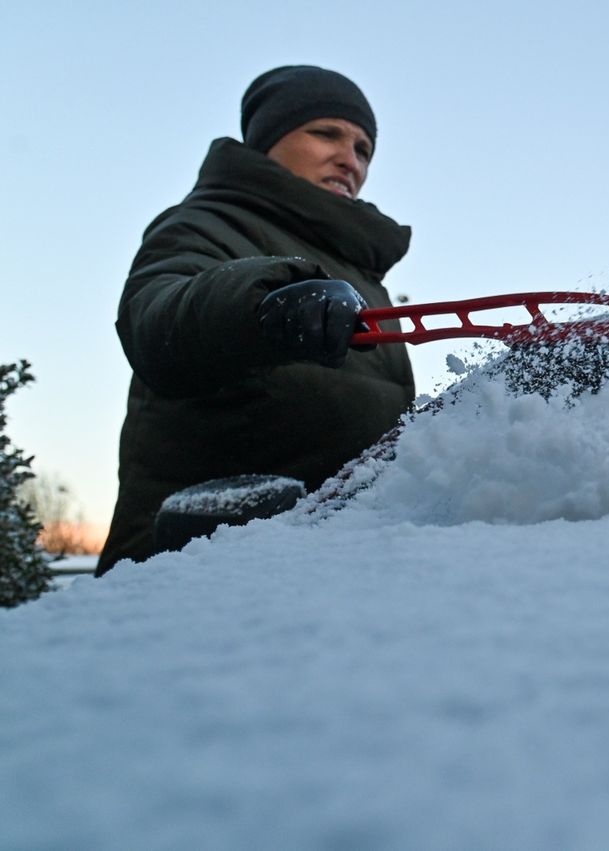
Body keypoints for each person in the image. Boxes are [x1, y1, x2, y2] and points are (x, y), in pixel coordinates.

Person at [97, 66, 415, 576]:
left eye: (363, 149)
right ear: (269, 138)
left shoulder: (362, 272)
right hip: (191, 569)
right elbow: (156, 319)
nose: (348, 158)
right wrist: (265, 303)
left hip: (337, 565)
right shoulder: (205, 223)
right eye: (325, 133)